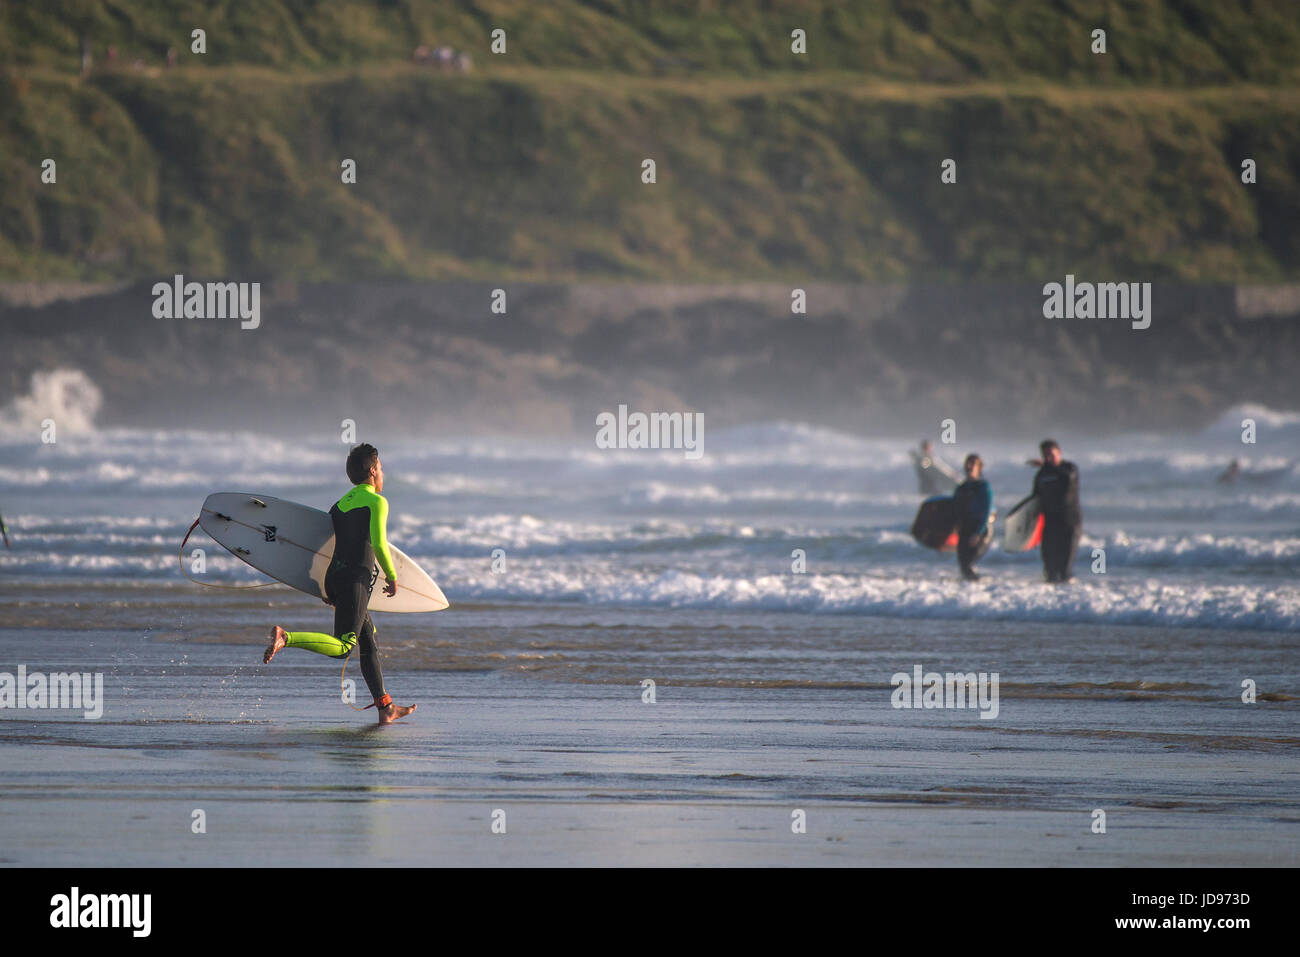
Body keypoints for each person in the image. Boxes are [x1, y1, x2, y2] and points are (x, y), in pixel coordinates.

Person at [263, 443, 416, 724]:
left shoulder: (339, 504)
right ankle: (287, 638)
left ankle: (386, 707)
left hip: (334, 577)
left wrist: (326, 587)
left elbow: (325, 545)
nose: (383, 473)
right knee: (345, 645)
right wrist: (392, 576)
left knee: (369, 638)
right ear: (372, 471)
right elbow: (380, 544)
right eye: (381, 468)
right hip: (355, 580)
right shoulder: (377, 502)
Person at [1031, 439, 1082, 583]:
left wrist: (1046, 466)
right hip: (1050, 525)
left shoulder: (1070, 469)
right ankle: (1051, 603)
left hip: (1070, 523)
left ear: (1059, 453)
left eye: (1051, 454)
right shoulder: (1041, 475)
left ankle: (1068, 601)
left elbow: (1067, 479)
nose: (1049, 458)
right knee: (1050, 571)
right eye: (1046, 455)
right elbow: (1035, 499)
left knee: (1064, 571)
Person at [953, 454, 992, 581]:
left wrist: (978, 533)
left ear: (979, 467)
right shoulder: (961, 488)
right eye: (967, 463)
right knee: (963, 566)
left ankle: (981, 589)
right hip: (964, 530)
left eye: (973, 464)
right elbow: (955, 510)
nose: (969, 466)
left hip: (980, 530)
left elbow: (987, 511)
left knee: (968, 564)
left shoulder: (983, 487)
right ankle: (969, 593)